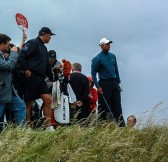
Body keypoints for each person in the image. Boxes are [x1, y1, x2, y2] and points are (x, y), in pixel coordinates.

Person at [15, 27, 55, 131]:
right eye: (50, 35)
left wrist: (52, 78)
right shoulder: (33, 42)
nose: (50, 37)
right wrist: (26, 69)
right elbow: (22, 55)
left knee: (47, 99)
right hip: (31, 76)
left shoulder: (44, 49)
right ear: (44, 34)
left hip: (41, 78)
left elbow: (47, 66)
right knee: (29, 102)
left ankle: (48, 127)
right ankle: (27, 127)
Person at [91, 37, 125, 127]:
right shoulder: (97, 58)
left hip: (114, 83)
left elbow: (116, 70)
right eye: (107, 44)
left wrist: (119, 82)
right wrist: (97, 86)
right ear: (102, 46)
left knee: (117, 105)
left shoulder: (113, 56)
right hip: (104, 83)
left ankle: (121, 127)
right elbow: (93, 73)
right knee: (103, 106)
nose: (109, 45)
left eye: (109, 44)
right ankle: (101, 126)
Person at [0, 33, 26, 130]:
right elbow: (9, 65)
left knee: (20, 107)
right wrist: (14, 53)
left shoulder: (2, 55)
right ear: (2, 44)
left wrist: (23, 40)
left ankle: (21, 133)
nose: (8, 46)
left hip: (8, 91)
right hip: (1, 92)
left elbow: (16, 51)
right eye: (7, 44)